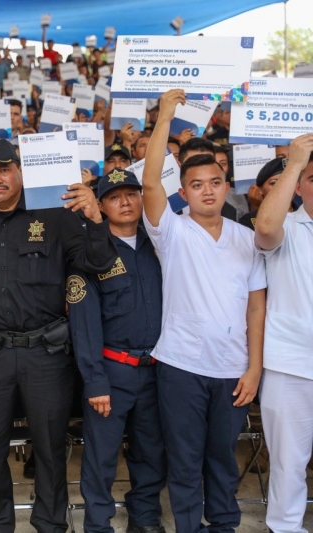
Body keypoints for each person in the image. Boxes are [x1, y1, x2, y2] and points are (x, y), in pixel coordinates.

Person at [0, 139, 118, 532]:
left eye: (4, 170)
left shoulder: (55, 213)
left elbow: (98, 261)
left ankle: (50, 525)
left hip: (46, 353)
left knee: (48, 451)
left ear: (20, 171)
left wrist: (95, 217)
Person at [141, 89, 266, 533]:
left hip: (233, 369)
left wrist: (254, 368)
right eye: (196, 185)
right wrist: (166, 117)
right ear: (184, 192)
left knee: (222, 457)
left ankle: (225, 524)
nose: (207, 191)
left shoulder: (246, 238)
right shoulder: (170, 231)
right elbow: (150, 182)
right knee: (185, 459)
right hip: (180, 365)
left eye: (214, 182)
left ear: (226, 185)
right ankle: (188, 527)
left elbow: (256, 306)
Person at [67, 169, 167, 533]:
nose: (125, 202)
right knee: (101, 459)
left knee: (151, 453)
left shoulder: (160, 245)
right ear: (101, 205)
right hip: (112, 372)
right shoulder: (91, 252)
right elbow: (85, 325)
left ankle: (145, 519)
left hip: (157, 370)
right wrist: (95, 381)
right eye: (114, 197)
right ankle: (98, 525)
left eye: (131, 194)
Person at [253, 133, 313, 533]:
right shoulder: (286, 226)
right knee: (289, 462)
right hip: (291, 364)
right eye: (312, 176)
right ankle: (286, 528)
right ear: (300, 186)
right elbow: (264, 229)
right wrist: (293, 162)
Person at [239, 158, 295, 230]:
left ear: (297, 186)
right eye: (273, 183)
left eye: (288, 181)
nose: (282, 188)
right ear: (260, 189)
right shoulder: (248, 221)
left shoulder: (308, 215)